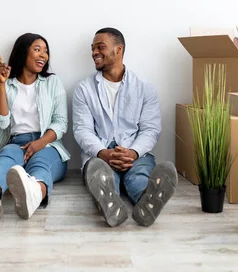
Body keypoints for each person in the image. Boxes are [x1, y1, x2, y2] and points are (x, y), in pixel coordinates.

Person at [72, 27, 178, 227]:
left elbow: (151, 129)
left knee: (138, 177)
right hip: (99, 154)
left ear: (118, 49)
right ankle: (109, 202)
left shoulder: (144, 88)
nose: (94, 52)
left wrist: (133, 153)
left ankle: (147, 202)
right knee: (103, 176)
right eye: (92, 48)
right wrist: (103, 152)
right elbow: (82, 129)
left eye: (100, 47)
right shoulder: (84, 89)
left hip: (135, 151)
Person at [0, 33, 69, 220]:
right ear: (23, 52)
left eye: (46, 51)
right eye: (37, 50)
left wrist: (39, 143)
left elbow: (61, 122)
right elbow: (1, 122)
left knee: (40, 164)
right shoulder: (6, 84)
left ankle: (33, 195)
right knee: (5, 158)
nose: (43, 56)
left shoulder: (52, 82)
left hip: (48, 144)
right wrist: (1, 84)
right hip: (17, 142)